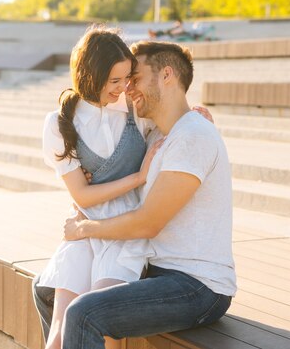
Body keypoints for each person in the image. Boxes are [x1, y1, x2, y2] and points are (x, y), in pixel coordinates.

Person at [34, 40, 236, 349]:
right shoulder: (160, 133)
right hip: (158, 270)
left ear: (166, 76)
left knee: (84, 313)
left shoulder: (193, 135)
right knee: (45, 287)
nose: (129, 89)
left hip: (197, 285)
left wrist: (84, 228)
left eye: (136, 78)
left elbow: (147, 224)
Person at [35, 26, 163, 349]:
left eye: (125, 79)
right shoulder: (61, 123)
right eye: (114, 81)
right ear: (90, 75)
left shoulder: (135, 110)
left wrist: (201, 117)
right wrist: (137, 177)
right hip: (84, 231)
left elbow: (175, 120)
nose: (122, 89)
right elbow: (82, 195)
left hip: (126, 232)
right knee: (60, 334)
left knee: (97, 320)